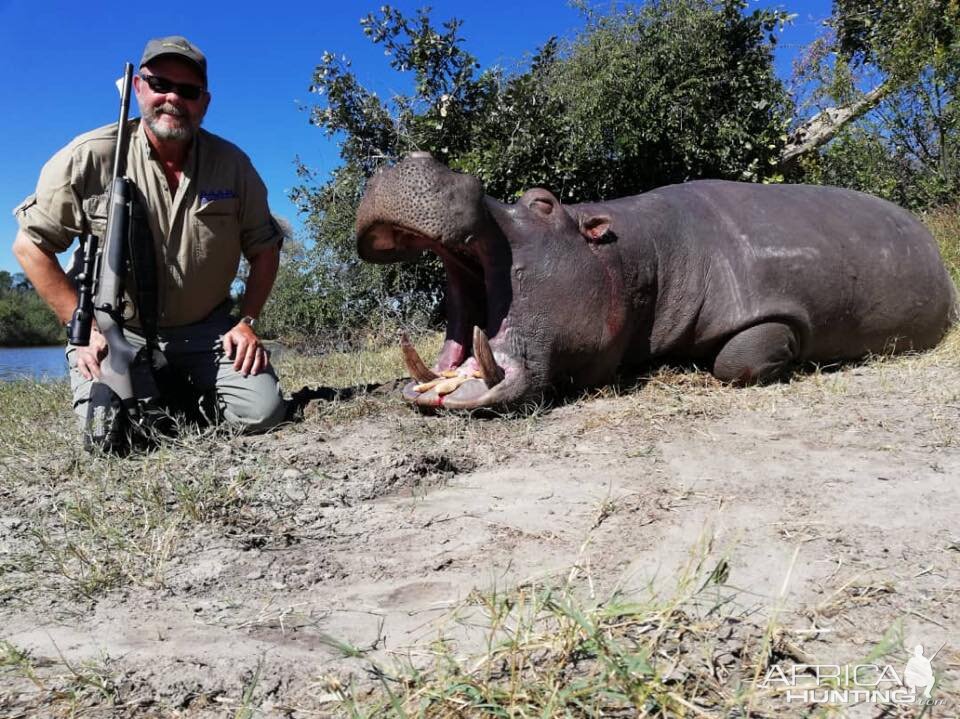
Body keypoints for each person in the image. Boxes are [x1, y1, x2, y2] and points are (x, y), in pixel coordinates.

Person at [12, 36, 286, 438]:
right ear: (138, 87)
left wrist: (245, 321)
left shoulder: (234, 165)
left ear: (204, 103)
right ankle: (156, 391)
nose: (173, 98)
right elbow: (29, 246)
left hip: (206, 330)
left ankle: (175, 388)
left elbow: (265, 250)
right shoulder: (90, 155)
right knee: (107, 435)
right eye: (160, 85)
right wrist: (81, 326)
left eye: (188, 91)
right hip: (117, 331)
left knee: (262, 414)